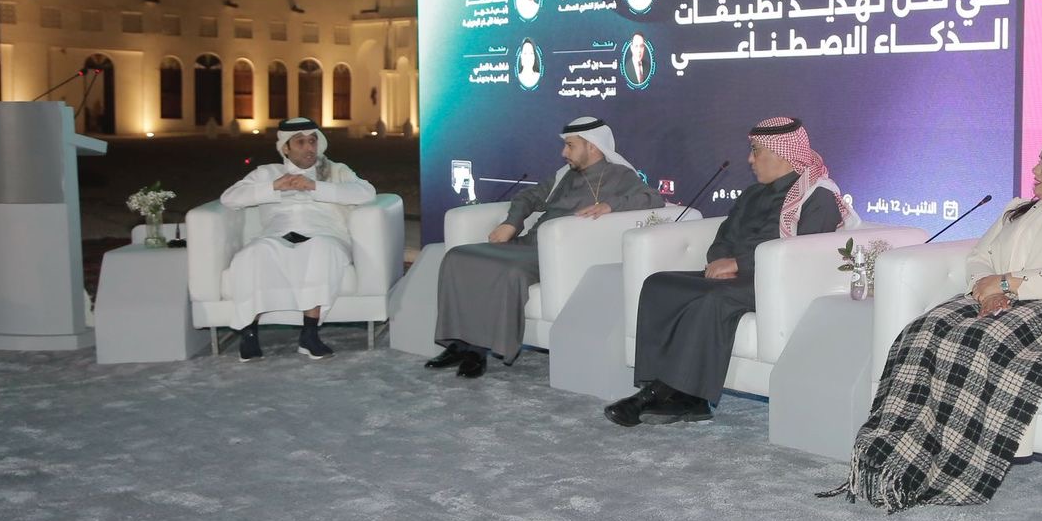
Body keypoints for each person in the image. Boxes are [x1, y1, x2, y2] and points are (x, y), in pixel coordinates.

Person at [823, 129, 1042, 512]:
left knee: (978, 340)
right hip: (990, 298)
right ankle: (894, 453)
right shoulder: (1019, 210)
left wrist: (1009, 284)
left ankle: (949, 469)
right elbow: (979, 256)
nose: (1034, 169)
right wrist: (986, 288)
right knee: (922, 332)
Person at [606, 116, 854, 426]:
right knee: (659, 284)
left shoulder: (817, 197)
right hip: (734, 277)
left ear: (782, 153)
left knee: (712, 300)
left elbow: (803, 254)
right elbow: (724, 235)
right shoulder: (752, 194)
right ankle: (675, 394)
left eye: (756, 151)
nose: (750, 160)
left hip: (776, 284)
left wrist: (739, 264)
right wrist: (719, 260)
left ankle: (661, 395)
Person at [427, 117, 664, 377]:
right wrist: (511, 223)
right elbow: (528, 197)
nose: (564, 153)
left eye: (570, 146)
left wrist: (610, 206)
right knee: (458, 256)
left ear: (592, 146)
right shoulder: (564, 175)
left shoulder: (620, 176)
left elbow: (653, 198)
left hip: (559, 254)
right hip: (529, 243)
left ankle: (476, 350)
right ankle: (458, 344)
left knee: (510, 272)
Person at [220, 116, 378, 361]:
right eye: (300, 142)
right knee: (252, 254)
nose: (309, 148)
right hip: (277, 236)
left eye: (312, 141)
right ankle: (249, 335)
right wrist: (274, 186)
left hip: (325, 235)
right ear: (286, 148)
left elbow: (366, 192)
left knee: (321, 250)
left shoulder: (335, 171)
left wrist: (315, 187)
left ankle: (309, 334)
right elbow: (229, 198)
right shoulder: (267, 173)